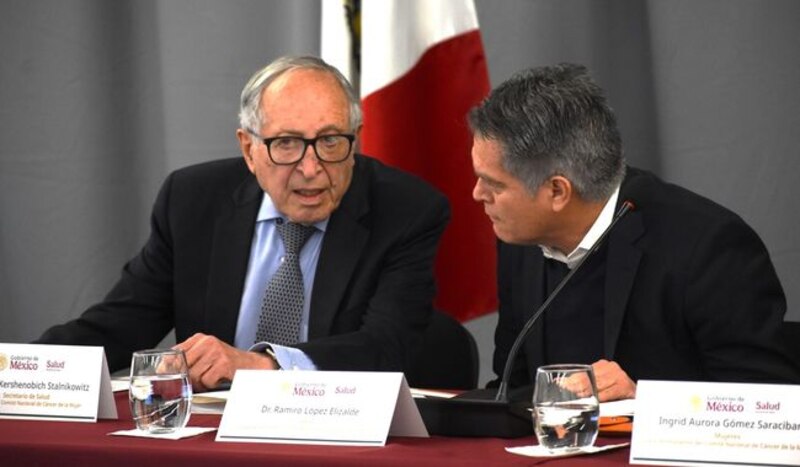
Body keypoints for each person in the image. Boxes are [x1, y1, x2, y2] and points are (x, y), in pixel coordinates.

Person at [36, 56, 450, 391]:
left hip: (341, 435)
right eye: (286, 143)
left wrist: (259, 366)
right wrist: (19, 368)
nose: (311, 168)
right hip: (216, 437)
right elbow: (118, 326)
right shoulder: (193, 199)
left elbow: (385, 347)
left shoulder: (405, 210)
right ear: (248, 148)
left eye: (330, 141)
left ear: (355, 138)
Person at [468, 63, 800, 402]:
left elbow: (768, 406)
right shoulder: (521, 238)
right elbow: (513, 390)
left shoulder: (707, 247)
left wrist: (643, 401)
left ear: (557, 191)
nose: (478, 194)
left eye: (493, 183)